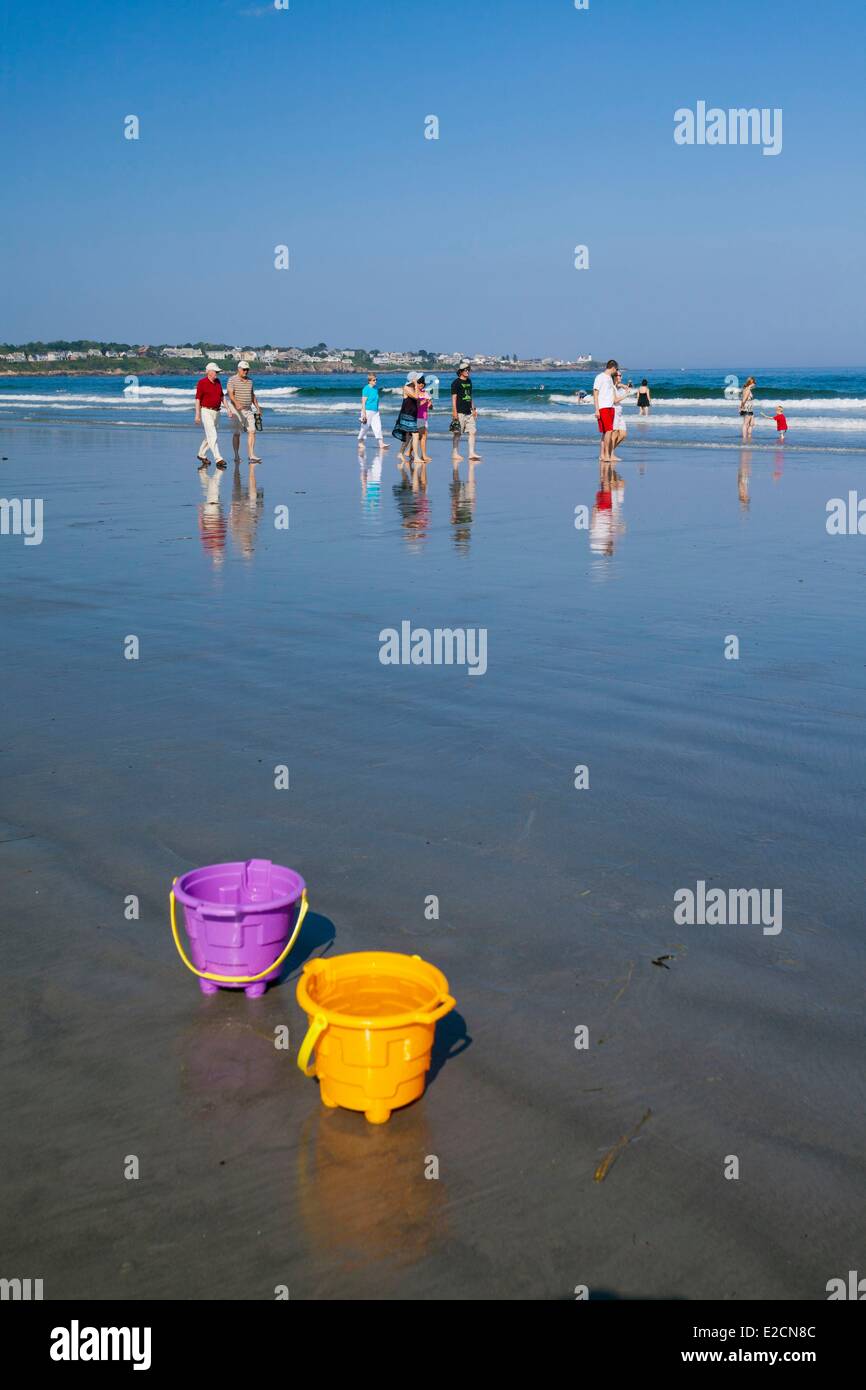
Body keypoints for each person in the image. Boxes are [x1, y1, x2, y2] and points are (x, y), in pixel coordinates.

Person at [227, 360, 262, 464]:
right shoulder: (232, 380)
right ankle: (236, 455)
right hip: (235, 409)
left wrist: (258, 408)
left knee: (252, 431)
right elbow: (230, 394)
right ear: (239, 369)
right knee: (237, 433)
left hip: (248, 409)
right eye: (244, 369)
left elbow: (252, 395)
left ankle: (251, 455)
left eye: (247, 370)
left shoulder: (250, 381)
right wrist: (236, 403)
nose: (246, 371)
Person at [195, 362, 227, 469]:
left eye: (217, 372)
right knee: (213, 435)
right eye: (215, 371)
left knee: (210, 436)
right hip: (206, 411)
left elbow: (222, 397)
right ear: (209, 372)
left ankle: (201, 454)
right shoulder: (202, 383)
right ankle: (218, 459)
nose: (217, 373)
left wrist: (228, 408)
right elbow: (198, 399)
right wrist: (197, 415)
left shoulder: (218, 382)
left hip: (217, 412)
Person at [450, 361, 480, 462]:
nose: (468, 371)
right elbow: (454, 399)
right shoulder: (456, 383)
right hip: (459, 411)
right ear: (461, 371)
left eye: (469, 370)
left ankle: (471, 453)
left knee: (473, 431)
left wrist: (474, 409)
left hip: (468, 411)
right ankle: (455, 453)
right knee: (458, 433)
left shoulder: (469, 381)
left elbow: (470, 396)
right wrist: (454, 412)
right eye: (466, 370)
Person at [592, 359, 618, 463]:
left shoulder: (610, 378)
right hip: (603, 407)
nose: (616, 371)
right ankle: (607, 455)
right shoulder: (600, 377)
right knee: (609, 431)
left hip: (611, 407)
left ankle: (602, 455)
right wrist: (597, 410)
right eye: (616, 369)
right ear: (613, 367)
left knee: (606, 432)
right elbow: (595, 393)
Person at [395, 372, 422, 467]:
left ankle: (400, 453)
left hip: (413, 415)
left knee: (409, 436)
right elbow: (416, 397)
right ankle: (417, 457)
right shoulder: (406, 388)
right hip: (406, 415)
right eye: (417, 379)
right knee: (415, 434)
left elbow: (417, 402)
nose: (419, 380)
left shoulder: (414, 388)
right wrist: (415, 385)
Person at [358, 372, 388, 450]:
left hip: (375, 411)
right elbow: (363, 402)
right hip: (367, 411)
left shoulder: (375, 389)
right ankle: (361, 441)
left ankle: (381, 443)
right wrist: (364, 414)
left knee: (378, 427)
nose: (375, 381)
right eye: (374, 380)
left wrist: (377, 410)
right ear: (369, 381)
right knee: (365, 427)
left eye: (376, 380)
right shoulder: (366, 389)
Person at [610, 371, 634, 461]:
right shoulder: (611, 386)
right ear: (614, 376)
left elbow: (619, 385)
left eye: (620, 375)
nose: (620, 376)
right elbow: (615, 400)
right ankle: (610, 454)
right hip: (614, 412)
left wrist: (624, 386)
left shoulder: (616, 385)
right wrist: (625, 395)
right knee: (614, 434)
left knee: (623, 434)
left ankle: (608, 451)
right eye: (618, 375)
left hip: (620, 413)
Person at [416, 375, 432, 462]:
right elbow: (416, 406)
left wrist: (430, 405)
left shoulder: (425, 393)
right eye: (419, 382)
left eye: (422, 382)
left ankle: (409, 452)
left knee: (420, 436)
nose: (421, 384)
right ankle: (424, 456)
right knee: (421, 436)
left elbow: (431, 406)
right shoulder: (414, 393)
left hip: (424, 417)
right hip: (417, 417)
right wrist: (424, 401)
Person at [739, 376, 756, 442]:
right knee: (745, 423)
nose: (754, 384)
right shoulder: (747, 389)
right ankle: (744, 438)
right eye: (753, 383)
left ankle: (749, 436)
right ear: (750, 383)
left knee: (752, 423)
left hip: (750, 408)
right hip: (747, 408)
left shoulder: (747, 389)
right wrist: (741, 407)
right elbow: (744, 399)